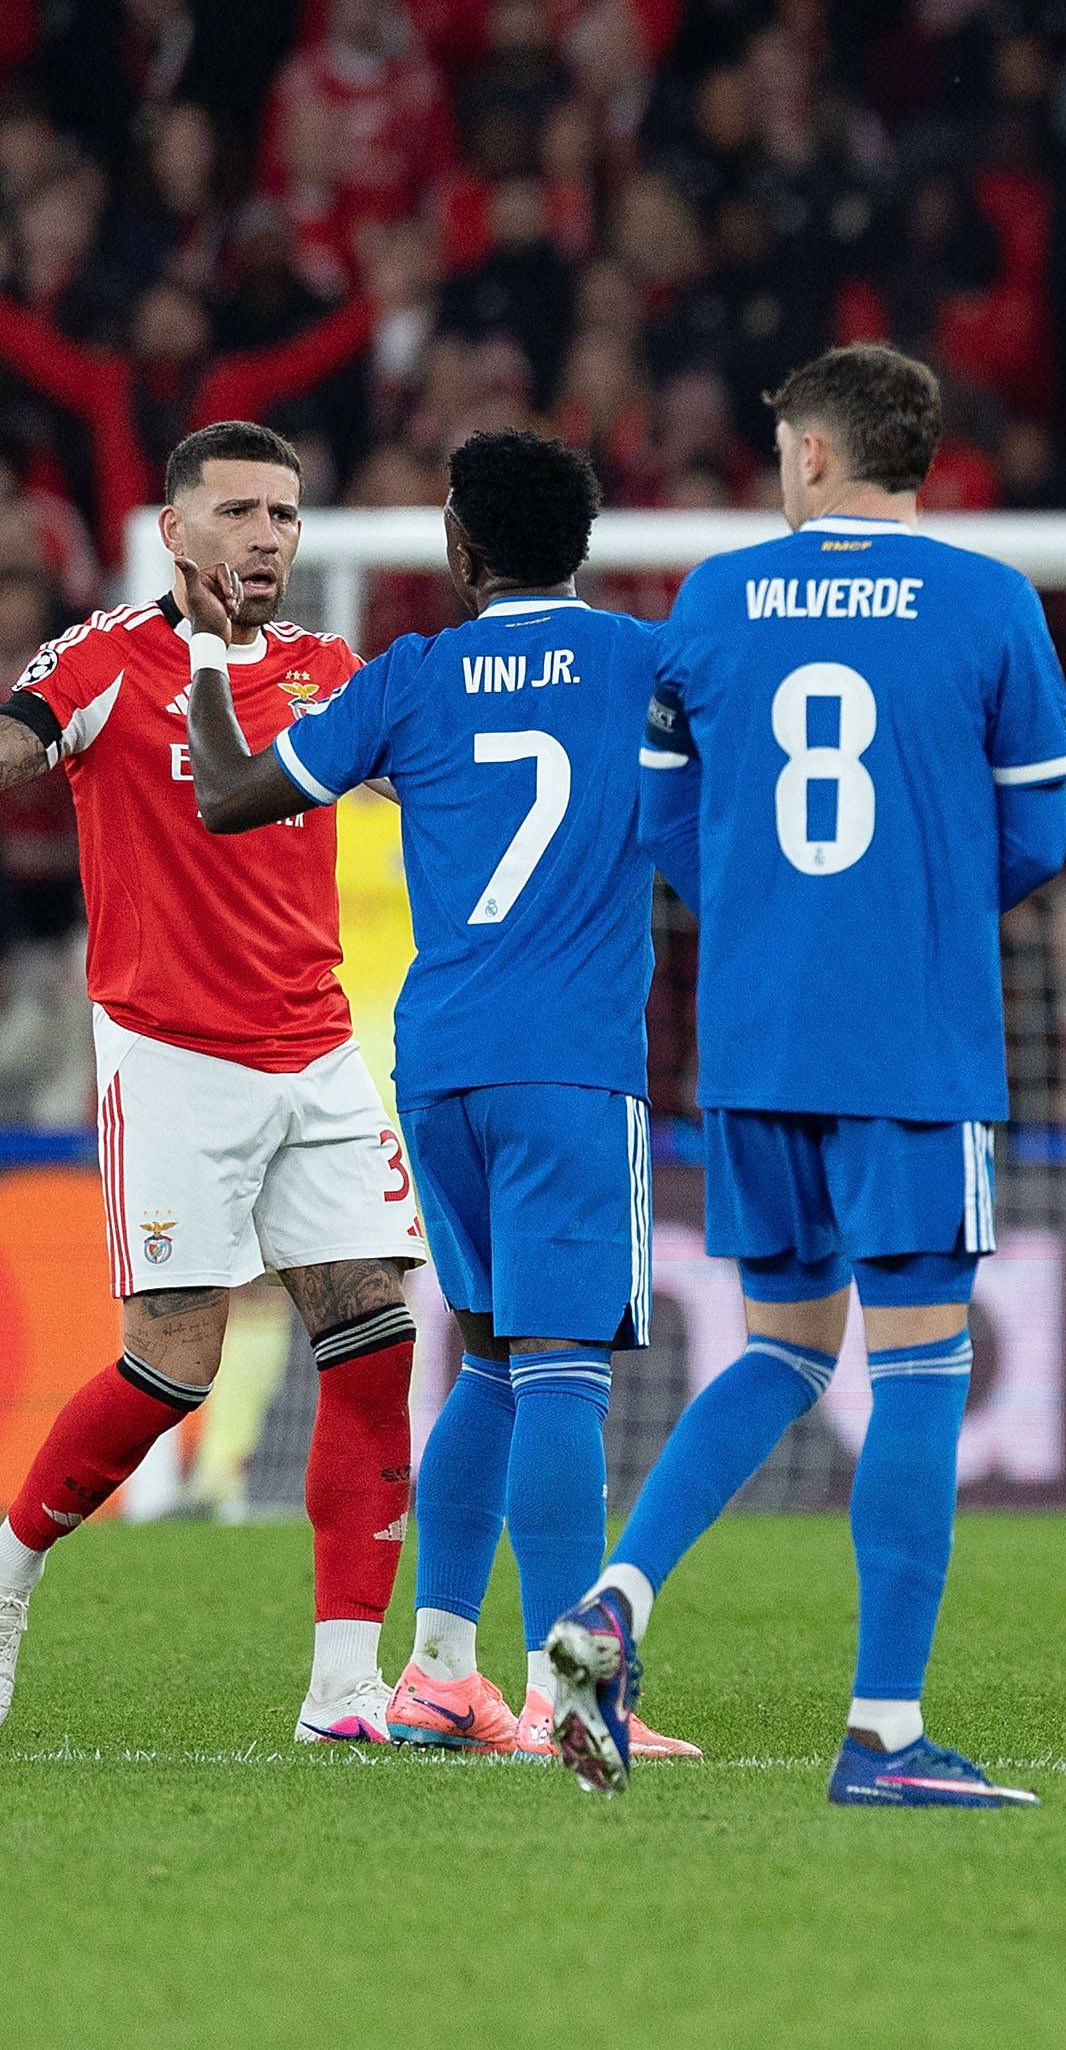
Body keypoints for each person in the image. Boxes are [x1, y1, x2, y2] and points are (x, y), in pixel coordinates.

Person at [542, 345, 1066, 1806]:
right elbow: (1038, 834)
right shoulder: (988, 598)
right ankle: (883, 1733)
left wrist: (770, 910)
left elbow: (664, 816)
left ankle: (615, 1602)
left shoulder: (714, 597)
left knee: (784, 1348)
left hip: (755, 1037)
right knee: (919, 1366)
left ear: (815, 455)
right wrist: (914, 898)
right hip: (911, 1039)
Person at [179, 428, 693, 1763]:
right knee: (564, 1371)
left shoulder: (410, 675)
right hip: (571, 1062)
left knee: (491, 1361)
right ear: (581, 545)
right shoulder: (644, 659)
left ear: (460, 547)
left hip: (441, 1063)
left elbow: (229, 794)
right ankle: (574, 1698)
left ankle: (439, 1672)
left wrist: (206, 654)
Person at [0, 422, 424, 1742]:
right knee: (172, 1366)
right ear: (174, 528)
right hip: (173, 1055)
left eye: (285, 514)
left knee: (375, 1339)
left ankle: (344, 1688)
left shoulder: (325, 669)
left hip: (317, 1047)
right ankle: (9, 1567)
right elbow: (18, 736)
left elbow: (431, 776)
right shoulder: (104, 657)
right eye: (239, 510)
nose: (266, 534)